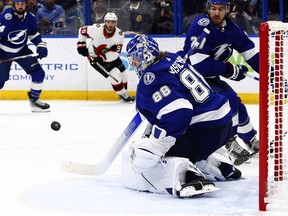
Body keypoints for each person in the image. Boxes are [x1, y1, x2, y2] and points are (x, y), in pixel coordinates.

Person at [121, 34, 241, 198]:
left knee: (156, 152)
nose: (134, 63)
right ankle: (222, 167)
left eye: (135, 58)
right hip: (223, 125)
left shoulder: (151, 78)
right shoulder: (171, 58)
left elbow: (180, 111)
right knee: (179, 139)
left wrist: (158, 145)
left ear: (145, 57)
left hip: (204, 132)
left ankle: (190, 177)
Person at [181, 0, 259, 165]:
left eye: (221, 9)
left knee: (236, 102)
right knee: (229, 101)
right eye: (213, 9)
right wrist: (229, 70)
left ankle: (251, 140)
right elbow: (200, 65)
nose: (216, 13)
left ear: (228, 10)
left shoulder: (232, 28)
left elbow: (252, 55)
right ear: (207, 9)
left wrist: (272, 75)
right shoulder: (200, 26)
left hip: (208, 77)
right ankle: (230, 146)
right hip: (190, 76)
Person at [0, 0, 50, 112]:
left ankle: (34, 101)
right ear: (14, 5)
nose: (20, 6)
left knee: (38, 73)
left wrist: (41, 45)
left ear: (26, 4)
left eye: (22, 4)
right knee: (0, 82)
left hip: (22, 51)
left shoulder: (31, 18)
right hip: (3, 53)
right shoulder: (5, 17)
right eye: (18, 4)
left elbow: (33, 35)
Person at [77, 12, 135, 102]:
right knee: (115, 74)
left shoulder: (119, 35)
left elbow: (116, 53)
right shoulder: (96, 29)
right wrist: (81, 45)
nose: (110, 24)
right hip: (94, 57)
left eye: (113, 22)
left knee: (124, 74)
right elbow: (82, 30)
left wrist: (102, 57)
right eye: (108, 22)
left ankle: (123, 93)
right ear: (105, 22)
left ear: (116, 23)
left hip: (110, 56)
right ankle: (124, 95)